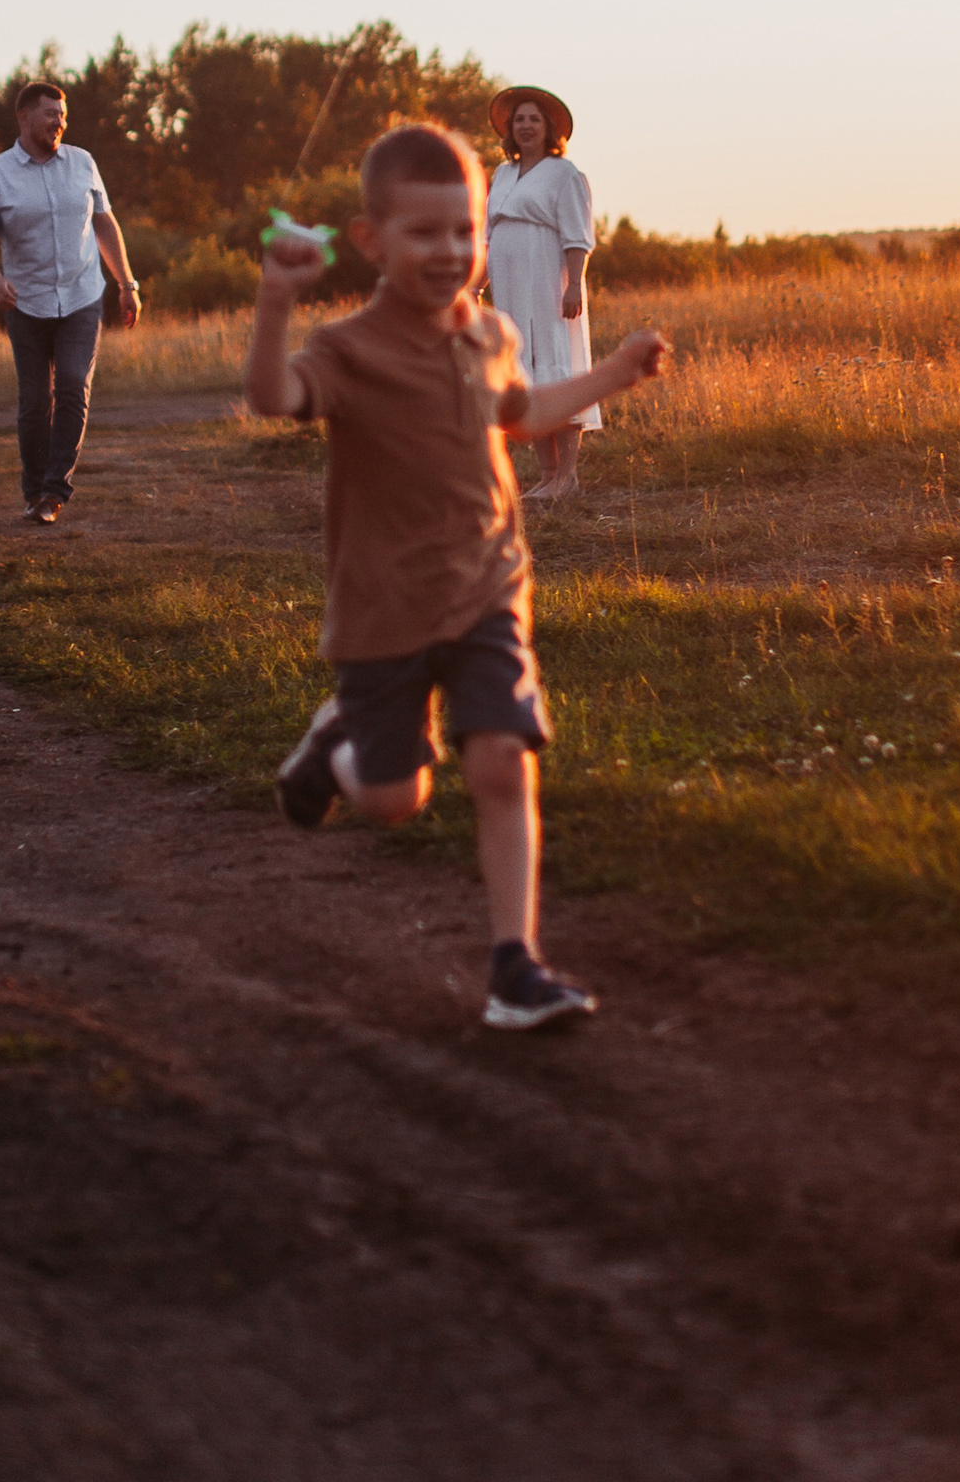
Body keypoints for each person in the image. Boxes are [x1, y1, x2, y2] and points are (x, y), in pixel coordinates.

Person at [245, 120, 667, 1032]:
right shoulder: (348, 348)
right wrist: (275, 301)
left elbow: (520, 413)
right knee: (398, 800)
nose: (450, 252)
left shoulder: (489, 332)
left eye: (465, 230)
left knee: (503, 765)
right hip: (384, 609)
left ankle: (516, 969)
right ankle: (338, 743)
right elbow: (273, 398)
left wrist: (613, 376)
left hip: (487, 589)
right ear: (371, 242)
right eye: (423, 233)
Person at [0, 79, 142, 526]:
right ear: (23, 117)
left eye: (63, 115)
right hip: (25, 303)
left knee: (71, 383)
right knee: (33, 400)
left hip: (82, 296)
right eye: (50, 114)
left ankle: (53, 492)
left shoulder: (82, 163)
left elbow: (104, 225)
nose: (59, 123)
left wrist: (127, 283)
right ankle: (33, 490)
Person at [485, 85, 600, 506]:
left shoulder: (564, 174)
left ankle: (567, 476)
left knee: (558, 363)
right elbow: (488, 231)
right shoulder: (501, 174)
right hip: (510, 281)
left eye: (534, 119)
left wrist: (573, 283)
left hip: (548, 279)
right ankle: (547, 474)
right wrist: (479, 279)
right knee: (524, 367)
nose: (526, 126)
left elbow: (577, 235)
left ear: (549, 128)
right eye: (519, 120)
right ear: (510, 130)